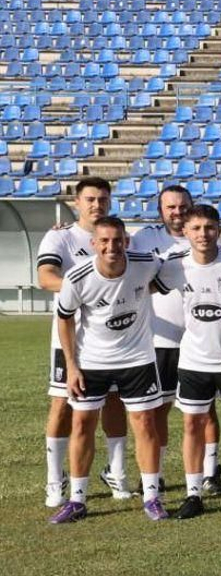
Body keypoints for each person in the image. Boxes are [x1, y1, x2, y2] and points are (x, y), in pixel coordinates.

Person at [48, 216, 170, 523]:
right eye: (104, 241)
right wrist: (72, 366)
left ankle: (152, 496)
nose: (111, 246)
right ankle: (77, 500)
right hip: (92, 361)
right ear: (93, 244)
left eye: (117, 240)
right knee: (82, 424)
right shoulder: (78, 277)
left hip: (137, 359)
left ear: (127, 242)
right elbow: (64, 318)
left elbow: (176, 267)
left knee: (145, 424)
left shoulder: (146, 263)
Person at [157, 205, 221, 519]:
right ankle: (193, 493)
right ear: (185, 231)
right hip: (193, 361)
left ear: (220, 229)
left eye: (209, 227)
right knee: (192, 426)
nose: (203, 234)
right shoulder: (174, 266)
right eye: (196, 228)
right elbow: (138, 284)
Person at [38, 177, 129, 507]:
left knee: (115, 403)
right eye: (90, 199)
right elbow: (45, 277)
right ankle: (54, 479)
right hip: (70, 338)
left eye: (103, 198)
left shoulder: (117, 237)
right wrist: (84, 289)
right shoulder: (61, 236)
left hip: (114, 339)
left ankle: (116, 472)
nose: (97, 204)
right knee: (63, 404)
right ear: (77, 203)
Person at [130, 185, 197, 493]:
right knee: (160, 409)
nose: (177, 211)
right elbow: (110, 251)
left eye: (182, 205)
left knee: (202, 410)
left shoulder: (204, 233)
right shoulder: (144, 238)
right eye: (170, 207)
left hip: (199, 342)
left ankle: (208, 470)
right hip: (159, 340)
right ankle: (155, 474)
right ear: (160, 211)